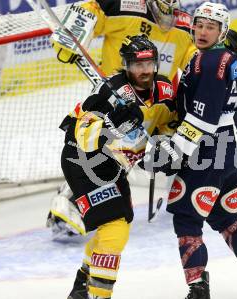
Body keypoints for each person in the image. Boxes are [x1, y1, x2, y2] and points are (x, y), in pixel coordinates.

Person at [145, 2, 237, 298]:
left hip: (210, 151)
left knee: (187, 219)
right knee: (227, 218)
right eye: (199, 25)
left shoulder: (205, 61)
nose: (202, 31)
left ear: (222, 31)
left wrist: (174, 151)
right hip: (236, 150)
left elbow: (203, 117)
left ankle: (198, 290)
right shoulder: (229, 58)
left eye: (211, 27)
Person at [46, 0, 196, 238]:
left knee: (134, 158)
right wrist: (75, 30)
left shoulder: (185, 29)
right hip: (116, 105)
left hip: (158, 108)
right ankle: (69, 202)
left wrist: (221, 55)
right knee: (103, 151)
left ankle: (84, 202)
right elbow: (94, 8)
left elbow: (197, 64)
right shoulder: (126, 7)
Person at [61, 35, 177, 299]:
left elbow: (167, 125)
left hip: (115, 167)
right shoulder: (108, 92)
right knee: (115, 228)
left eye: (149, 64)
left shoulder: (165, 90)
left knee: (118, 224)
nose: (144, 71)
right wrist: (112, 125)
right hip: (84, 163)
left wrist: (167, 150)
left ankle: (82, 286)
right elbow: (78, 136)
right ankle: (97, 295)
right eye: (137, 65)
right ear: (126, 65)